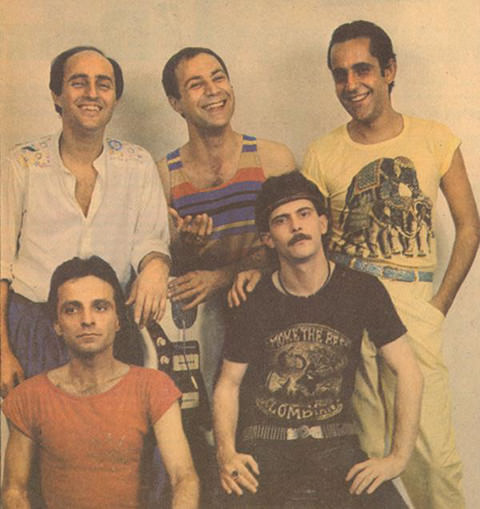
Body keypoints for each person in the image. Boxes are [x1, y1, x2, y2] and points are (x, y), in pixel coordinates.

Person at [214, 172, 423, 508]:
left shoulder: (362, 289)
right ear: (268, 239)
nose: (296, 226)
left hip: (336, 447)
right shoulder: (254, 298)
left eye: (304, 214)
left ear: (323, 223)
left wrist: (397, 458)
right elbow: (228, 383)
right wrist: (227, 453)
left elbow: (409, 371)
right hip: (265, 448)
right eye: (281, 220)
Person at [0, 46, 171, 397]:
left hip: (111, 332)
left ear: (115, 98)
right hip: (35, 327)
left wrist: (156, 264)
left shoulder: (137, 163)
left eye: (103, 84)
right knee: (42, 428)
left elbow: (150, 240)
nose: (92, 93)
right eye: (79, 83)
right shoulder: (22, 164)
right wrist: (2, 352)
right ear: (57, 95)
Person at [1, 256, 199, 509]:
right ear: (57, 324)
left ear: (117, 320)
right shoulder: (30, 396)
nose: (87, 320)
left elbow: (184, 478)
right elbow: (14, 490)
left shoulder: (153, 387)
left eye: (100, 307)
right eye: (72, 309)